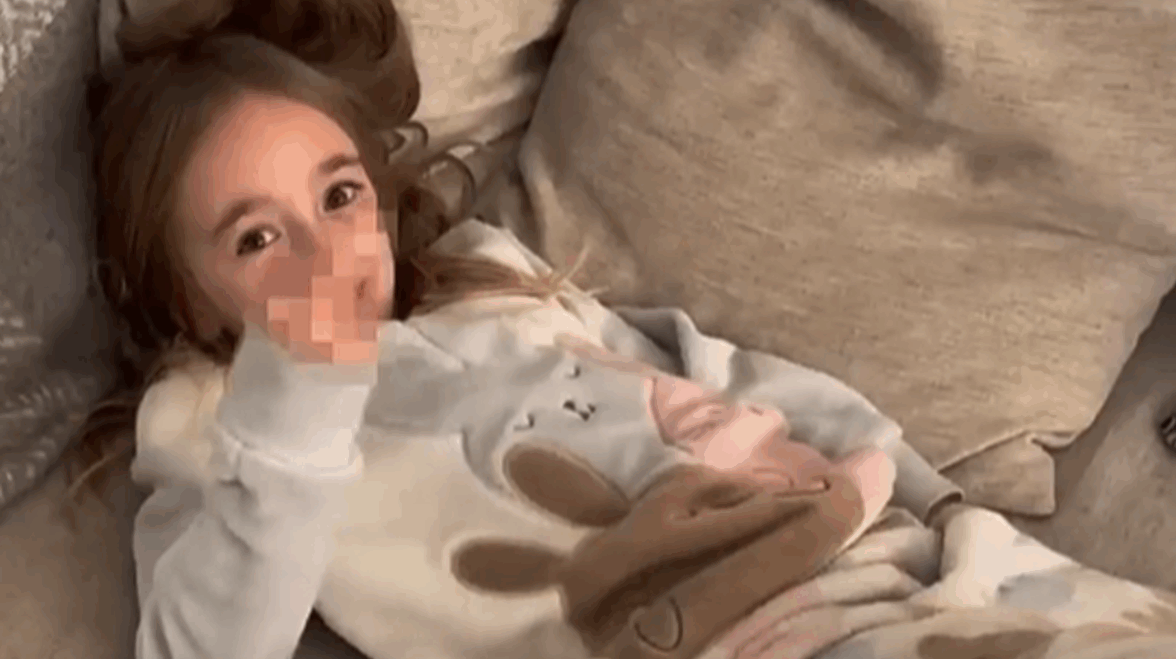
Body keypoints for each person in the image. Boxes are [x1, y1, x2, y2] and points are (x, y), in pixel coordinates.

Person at [73, 8, 967, 658]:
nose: (323, 255)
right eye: (257, 239)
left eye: (339, 196)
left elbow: (717, 376)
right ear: (184, 301)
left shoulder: (489, 274)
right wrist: (297, 404)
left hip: (849, 553)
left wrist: (933, 498)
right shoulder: (204, 424)